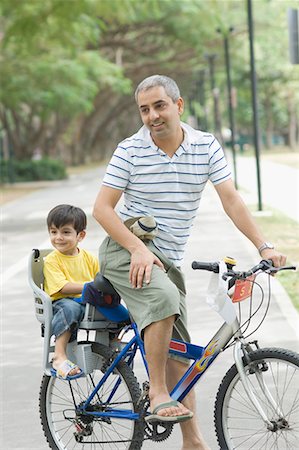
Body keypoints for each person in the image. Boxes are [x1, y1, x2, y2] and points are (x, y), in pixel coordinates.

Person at [92, 75, 286, 450]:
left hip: (167, 260)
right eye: (144, 110)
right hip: (125, 249)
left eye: (159, 106)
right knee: (163, 301)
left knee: (180, 352)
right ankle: (158, 394)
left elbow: (231, 199)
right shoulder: (130, 150)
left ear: (179, 106)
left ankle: (193, 441)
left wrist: (264, 246)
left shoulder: (205, 145)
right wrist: (137, 248)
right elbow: (102, 209)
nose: (152, 116)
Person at [43, 204, 99, 380]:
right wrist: (90, 286)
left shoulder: (89, 258)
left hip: (85, 300)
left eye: (65, 232)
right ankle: (59, 355)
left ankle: (112, 345)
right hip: (61, 302)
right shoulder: (52, 260)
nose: (58, 238)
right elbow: (62, 287)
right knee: (71, 309)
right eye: (53, 232)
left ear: (80, 235)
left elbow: (100, 280)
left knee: (114, 308)